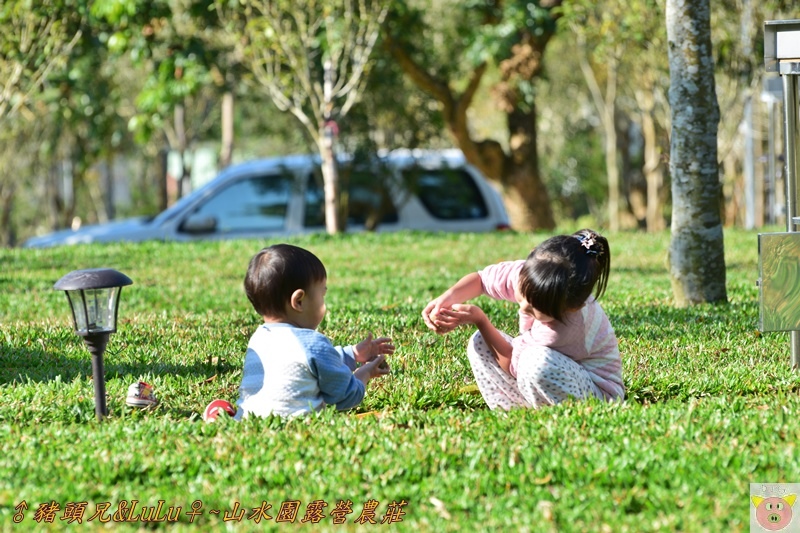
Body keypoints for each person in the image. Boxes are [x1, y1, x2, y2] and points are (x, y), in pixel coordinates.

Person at [421, 229, 624, 410]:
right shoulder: (531, 275)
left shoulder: (565, 327)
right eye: (522, 297)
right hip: (548, 375)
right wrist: (445, 300)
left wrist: (480, 320)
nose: (524, 307)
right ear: (530, 262)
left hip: (596, 398)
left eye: (536, 310)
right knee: (480, 342)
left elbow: (512, 363)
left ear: (572, 308)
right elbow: (482, 280)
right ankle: (515, 412)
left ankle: (555, 417)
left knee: (536, 363)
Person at [203, 244, 393, 421]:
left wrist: (353, 354)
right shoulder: (313, 342)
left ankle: (223, 418)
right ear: (299, 301)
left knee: (234, 410)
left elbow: (308, 362)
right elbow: (345, 396)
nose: (324, 304)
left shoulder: (259, 339)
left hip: (249, 421)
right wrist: (365, 373)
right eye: (322, 295)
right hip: (295, 425)